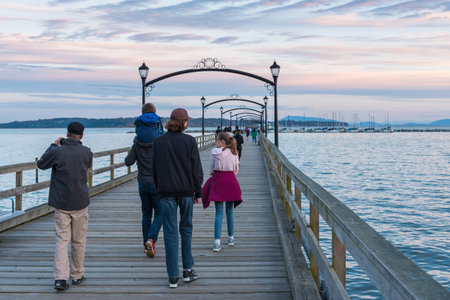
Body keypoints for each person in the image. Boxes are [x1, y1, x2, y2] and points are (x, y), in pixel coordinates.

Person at [37, 122, 93, 291]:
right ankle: (77, 274)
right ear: (82, 136)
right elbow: (87, 166)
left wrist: (53, 145)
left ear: (67, 133)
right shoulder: (87, 152)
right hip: (81, 201)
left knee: (62, 240)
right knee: (79, 240)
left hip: (61, 202)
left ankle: (60, 278)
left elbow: (42, 164)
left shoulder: (57, 151)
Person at [152, 108, 203, 288]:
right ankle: (188, 270)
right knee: (186, 229)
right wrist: (198, 192)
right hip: (186, 191)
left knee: (170, 233)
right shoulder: (189, 141)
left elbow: (155, 169)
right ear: (183, 123)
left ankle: (173, 276)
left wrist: (159, 188)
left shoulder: (158, 142)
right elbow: (196, 169)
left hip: (166, 192)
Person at [125, 103, 163, 258]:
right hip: (158, 182)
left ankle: (145, 244)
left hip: (143, 182)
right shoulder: (161, 140)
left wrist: (134, 152)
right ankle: (151, 239)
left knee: (146, 213)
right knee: (161, 212)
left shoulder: (137, 140)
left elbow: (128, 161)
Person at [202, 132, 242, 252]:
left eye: (217, 140)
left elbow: (211, 168)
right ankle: (230, 238)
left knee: (218, 213)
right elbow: (236, 169)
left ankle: (216, 243)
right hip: (230, 180)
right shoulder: (234, 152)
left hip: (218, 180)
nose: (216, 142)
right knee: (229, 211)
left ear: (223, 141)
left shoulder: (215, 153)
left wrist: (215, 173)